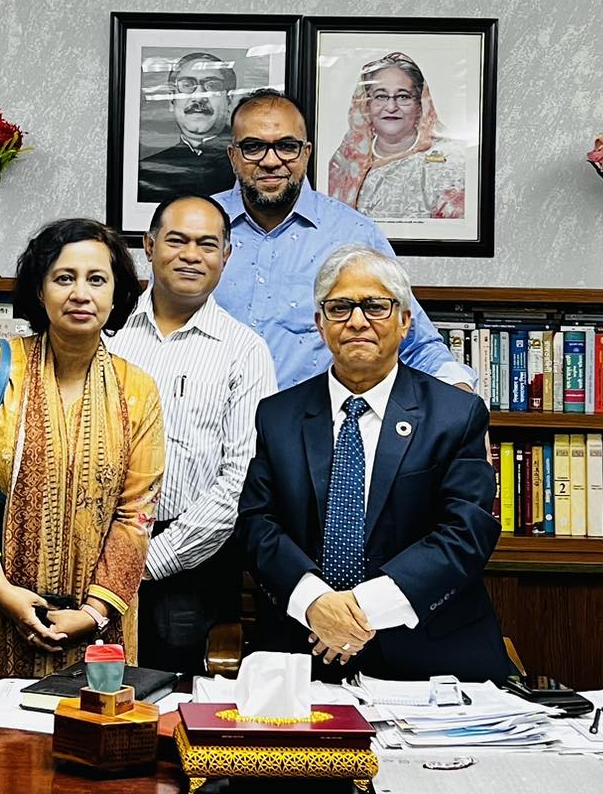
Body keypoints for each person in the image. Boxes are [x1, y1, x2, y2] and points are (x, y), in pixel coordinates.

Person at [238, 244, 509, 682]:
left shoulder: (456, 414)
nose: (357, 321)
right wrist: (315, 603)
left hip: (430, 657)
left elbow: (467, 532)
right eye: (340, 307)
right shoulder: (278, 415)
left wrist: (359, 611)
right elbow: (256, 524)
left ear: (405, 321)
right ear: (320, 324)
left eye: (375, 306)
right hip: (305, 652)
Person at [0, 218, 164, 678]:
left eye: (96, 280)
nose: (81, 294)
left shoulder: (137, 389)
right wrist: (3, 592)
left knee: (89, 723)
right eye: (64, 278)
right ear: (40, 291)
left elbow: (137, 513)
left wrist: (93, 613)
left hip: (96, 626)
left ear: (116, 293)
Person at [106, 195, 278, 675]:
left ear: (226, 255)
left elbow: (239, 478)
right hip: (91, 545)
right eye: (177, 240)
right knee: (79, 692)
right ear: (149, 246)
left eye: (207, 244)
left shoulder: (245, 351)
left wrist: (147, 560)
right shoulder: (107, 331)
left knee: (173, 700)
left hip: (189, 563)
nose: (191, 255)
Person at [211, 89, 473, 389]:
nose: (271, 161)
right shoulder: (194, 230)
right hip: (204, 416)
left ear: (306, 153)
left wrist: (460, 395)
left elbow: (414, 343)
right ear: (233, 155)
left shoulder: (354, 235)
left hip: (312, 418)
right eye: (253, 147)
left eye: (286, 146)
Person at [324, 53, 468, 220]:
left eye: (403, 96)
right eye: (381, 96)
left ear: (420, 105)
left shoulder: (450, 160)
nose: (391, 107)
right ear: (366, 104)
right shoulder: (344, 163)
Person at [139, 52, 237, 201]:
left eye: (212, 86)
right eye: (187, 85)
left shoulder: (247, 168)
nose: (198, 97)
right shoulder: (146, 172)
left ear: (229, 100)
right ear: (171, 100)